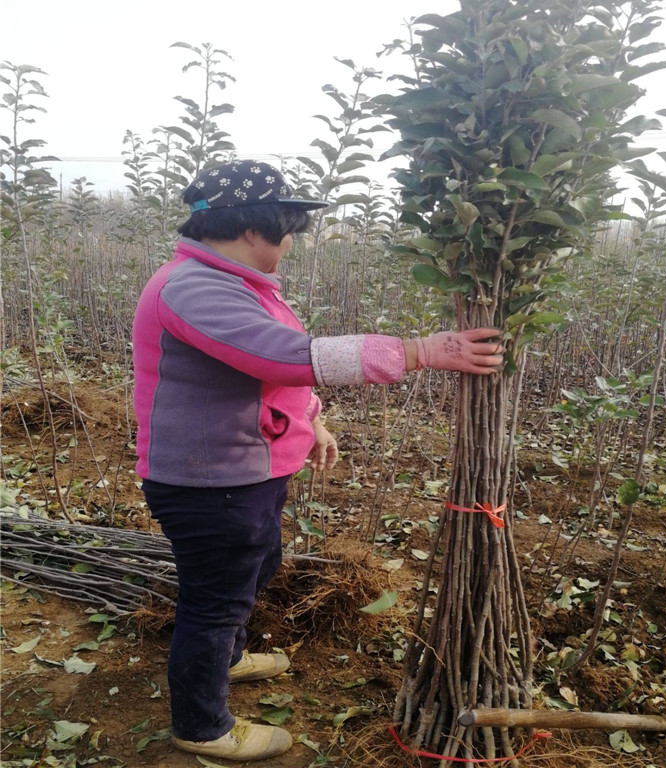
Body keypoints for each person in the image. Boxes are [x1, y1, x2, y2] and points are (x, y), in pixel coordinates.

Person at [132, 159, 502, 761]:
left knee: (255, 566)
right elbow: (281, 357)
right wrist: (416, 352)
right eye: (287, 230)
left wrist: (312, 420)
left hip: (244, 469)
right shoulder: (193, 287)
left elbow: (270, 374)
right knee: (215, 598)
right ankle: (201, 726)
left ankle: (227, 655)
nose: (288, 245)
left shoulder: (232, 283)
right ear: (254, 229)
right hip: (209, 480)